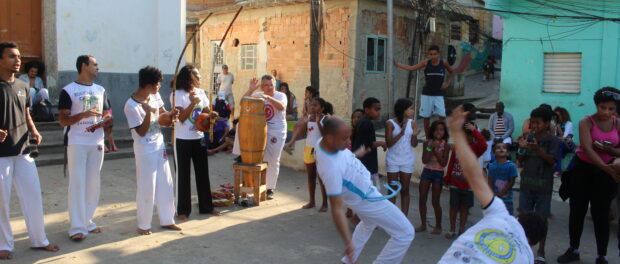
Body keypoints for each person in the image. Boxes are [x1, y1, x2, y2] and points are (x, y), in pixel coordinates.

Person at [439, 105, 547, 264]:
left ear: (516, 218)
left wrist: (456, 132)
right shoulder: (527, 257)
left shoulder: (500, 213)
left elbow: (475, 176)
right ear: (534, 244)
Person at [315, 117, 414, 264]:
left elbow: (343, 161)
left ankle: (349, 260)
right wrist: (347, 242)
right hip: (367, 199)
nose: (349, 142)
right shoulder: (331, 169)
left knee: (368, 223)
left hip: (364, 195)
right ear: (329, 138)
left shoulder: (322, 143)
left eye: (349, 137)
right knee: (405, 233)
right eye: (344, 139)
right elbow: (336, 208)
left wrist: (355, 155)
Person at [0, 42, 59, 260]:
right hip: (1, 155)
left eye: (18, 57)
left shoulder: (24, 86)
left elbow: (26, 114)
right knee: (2, 203)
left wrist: (34, 130)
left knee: (33, 197)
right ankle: (4, 244)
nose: (17, 61)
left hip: (24, 150)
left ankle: (39, 240)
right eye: (11, 57)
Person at [557, 87, 620, 264]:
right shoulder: (587, 122)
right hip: (583, 170)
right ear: (596, 105)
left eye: (611, 109)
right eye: (602, 107)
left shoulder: (618, 124)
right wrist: (604, 166)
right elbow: (587, 147)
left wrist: (610, 150)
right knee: (577, 210)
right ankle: (573, 249)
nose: (606, 112)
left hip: (606, 175)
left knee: (601, 214)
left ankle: (602, 255)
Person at [123, 66, 181, 235]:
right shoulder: (131, 105)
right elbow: (140, 132)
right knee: (147, 187)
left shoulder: (155, 96)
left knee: (166, 184)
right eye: (157, 84)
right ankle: (143, 224)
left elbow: (163, 114)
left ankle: (167, 219)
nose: (159, 87)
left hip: (159, 145)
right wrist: (148, 113)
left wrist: (171, 115)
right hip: (144, 150)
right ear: (147, 85)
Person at [58, 55, 111, 241]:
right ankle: (77, 227)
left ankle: (88, 221)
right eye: (94, 64)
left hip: (96, 142)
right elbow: (63, 120)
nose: (98, 67)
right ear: (84, 66)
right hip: (76, 142)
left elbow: (107, 112)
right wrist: (82, 115)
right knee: (77, 184)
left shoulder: (101, 90)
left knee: (93, 183)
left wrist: (106, 121)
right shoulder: (68, 91)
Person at [171, 65, 220, 221]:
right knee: (183, 176)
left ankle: (207, 206)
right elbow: (181, 118)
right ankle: (182, 210)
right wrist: (192, 103)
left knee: (203, 174)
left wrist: (212, 115)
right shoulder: (177, 94)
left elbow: (206, 112)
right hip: (182, 140)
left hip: (198, 138)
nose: (200, 78)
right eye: (196, 75)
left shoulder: (201, 92)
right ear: (188, 77)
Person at [517, 106, 558, 264]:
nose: (534, 126)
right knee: (523, 219)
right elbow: (521, 160)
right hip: (527, 184)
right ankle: (522, 249)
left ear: (547, 123)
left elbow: (552, 161)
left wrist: (538, 150)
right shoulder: (528, 137)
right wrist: (521, 149)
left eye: (537, 123)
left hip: (543, 187)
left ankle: (541, 250)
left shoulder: (552, 141)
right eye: (532, 122)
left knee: (541, 220)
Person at [444, 103, 487, 239]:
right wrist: (448, 177)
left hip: (468, 185)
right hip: (455, 183)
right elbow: (451, 163)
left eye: (467, 136)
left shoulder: (474, 149)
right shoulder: (457, 148)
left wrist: (474, 130)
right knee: (453, 207)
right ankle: (452, 229)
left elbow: (483, 144)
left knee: (464, 208)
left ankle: (462, 229)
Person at [244, 75, 287, 199]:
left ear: (275, 85)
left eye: (271, 85)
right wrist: (251, 90)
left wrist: (268, 97)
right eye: (266, 85)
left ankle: (270, 188)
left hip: (277, 131)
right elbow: (243, 101)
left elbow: (282, 107)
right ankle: (257, 185)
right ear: (262, 86)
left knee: (273, 160)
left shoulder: (280, 95)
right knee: (257, 159)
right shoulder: (259, 94)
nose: (268, 87)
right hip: (260, 130)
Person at [283, 97, 330, 211]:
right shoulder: (308, 118)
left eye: (316, 105)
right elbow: (301, 131)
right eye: (311, 105)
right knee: (311, 176)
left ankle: (324, 203)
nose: (313, 107)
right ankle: (312, 201)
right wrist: (292, 141)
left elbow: (326, 136)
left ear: (322, 108)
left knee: (321, 178)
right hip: (309, 149)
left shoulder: (325, 119)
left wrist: (318, 121)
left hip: (321, 150)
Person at [395, 45, 454, 135]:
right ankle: (428, 138)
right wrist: (398, 64)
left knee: (442, 115)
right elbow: (412, 68)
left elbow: (452, 72)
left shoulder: (444, 63)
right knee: (426, 117)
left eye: (435, 54)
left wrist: (447, 83)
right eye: (431, 54)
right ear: (428, 55)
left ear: (438, 54)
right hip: (427, 94)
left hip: (438, 94)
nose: (433, 56)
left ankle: (442, 136)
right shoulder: (426, 63)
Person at [385, 98, 420, 216]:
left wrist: (414, 136)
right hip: (393, 160)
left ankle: (404, 218)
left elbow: (414, 144)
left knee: (405, 190)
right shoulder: (390, 123)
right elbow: (389, 144)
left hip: (407, 160)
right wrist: (401, 133)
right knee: (392, 189)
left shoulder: (412, 123)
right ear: (403, 110)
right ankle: (391, 217)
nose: (413, 111)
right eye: (410, 108)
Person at [418, 120, 450, 234]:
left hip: (438, 173)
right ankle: (423, 224)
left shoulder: (446, 145)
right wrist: (430, 148)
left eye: (441, 129)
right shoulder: (427, 143)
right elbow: (424, 160)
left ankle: (438, 226)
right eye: (436, 129)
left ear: (444, 132)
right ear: (432, 131)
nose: (439, 132)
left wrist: (436, 151)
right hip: (427, 171)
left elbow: (443, 163)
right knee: (422, 198)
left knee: (435, 200)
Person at [352, 97, 386, 187]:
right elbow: (367, 144)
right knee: (373, 192)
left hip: (364, 164)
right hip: (367, 165)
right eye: (376, 109)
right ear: (367, 110)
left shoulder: (364, 122)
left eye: (379, 110)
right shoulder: (366, 123)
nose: (378, 112)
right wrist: (382, 143)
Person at [487, 142, 518, 215]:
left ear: (507, 153)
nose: (501, 149)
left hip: (507, 199)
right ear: (494, 154)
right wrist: (492, 194)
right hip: (495, 198)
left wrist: (502, 193)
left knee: (507, 217)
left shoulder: (511, 166)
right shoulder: (491, 166)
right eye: (498, 148)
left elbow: (512, 181)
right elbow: (490, 181)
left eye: (504, 148)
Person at [554, 106, 575, 177]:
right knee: (557, 145)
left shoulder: (569, 124)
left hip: (569, 145)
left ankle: (557, 170)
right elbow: (553, 136)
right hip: (559, 144)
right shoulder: (555, 124)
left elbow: (564, 138)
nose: (556, 117)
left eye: (558, 115)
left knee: (559, 144)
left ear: (563, 115)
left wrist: (558, 128)